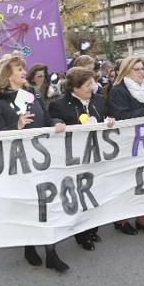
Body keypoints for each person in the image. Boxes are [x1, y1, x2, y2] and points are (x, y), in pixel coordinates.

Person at [0, 56, 68, 272]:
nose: (24, 71)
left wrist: (57, 123)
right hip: (19, 163)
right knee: (28, 207)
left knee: (47, 205)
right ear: (7, 74)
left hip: (43, 159)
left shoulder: (33, 94)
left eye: (23, 68)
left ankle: (51, 253)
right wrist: (17, 125)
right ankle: (29, 246)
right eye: (19, 68)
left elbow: (47, 118)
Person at [48, 67, 115, 250]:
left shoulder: (100, 101)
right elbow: (50, 120)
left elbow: (109, 116)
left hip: (98, 157)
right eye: (88, 84)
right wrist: (56, 123)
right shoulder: (59, 104)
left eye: (93, 83)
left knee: (97, 193)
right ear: (75, 87)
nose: (92, 87)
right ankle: (81, 234)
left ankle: (93, 228)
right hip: (75, 161)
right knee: (81, 196)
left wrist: (110, 119)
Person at [108, 57, 144, 236]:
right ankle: (121, 220)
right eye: (136, 69)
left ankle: (143, 219)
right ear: (126, 71)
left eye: (142, 69)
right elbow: (121, 117)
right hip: (126, 146)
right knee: (127, 185)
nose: (141, 72)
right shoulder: (118, 91)